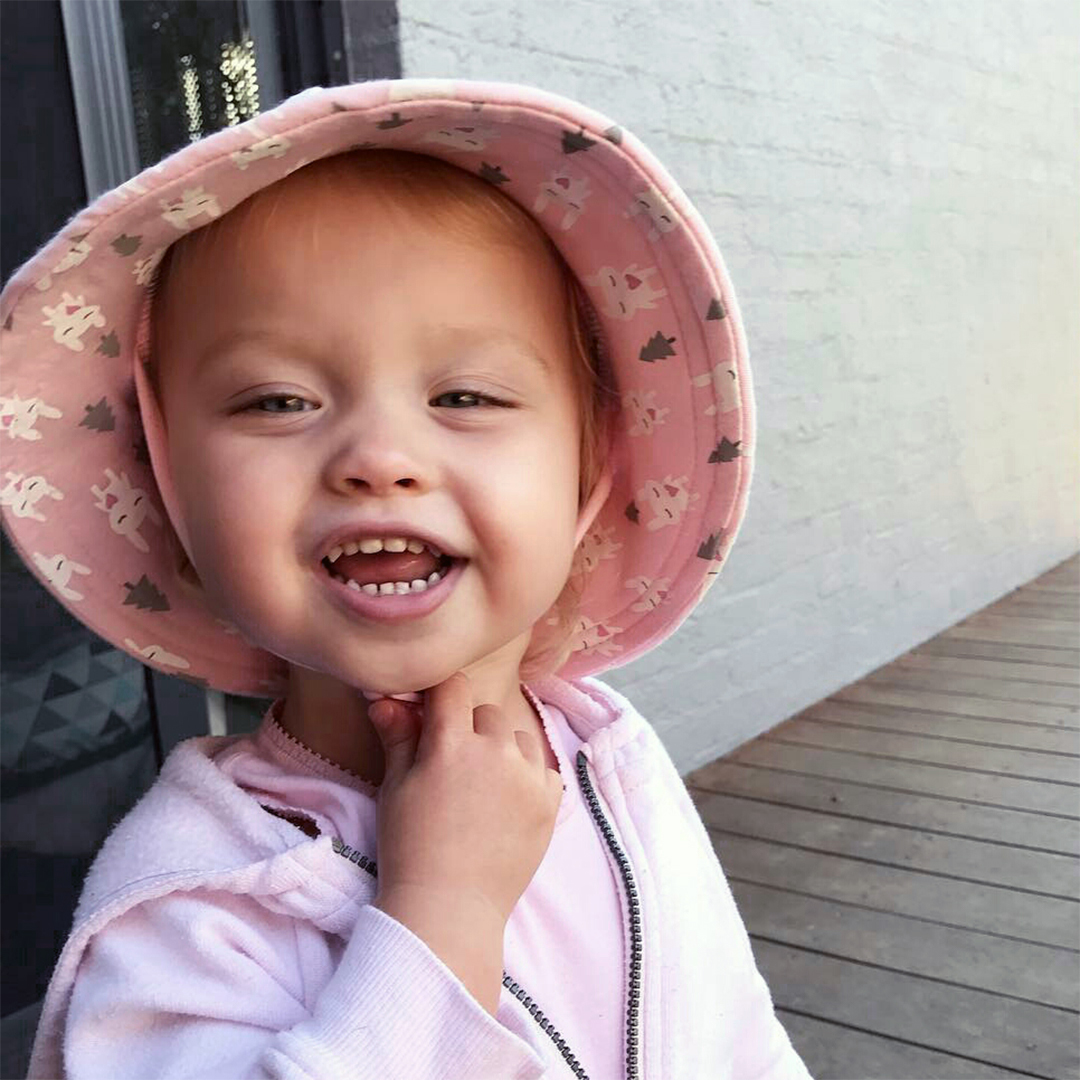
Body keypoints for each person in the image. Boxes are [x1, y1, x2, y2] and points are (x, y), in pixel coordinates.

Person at [1, 78, 812, 1079]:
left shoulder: (609, 756)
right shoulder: (195, 903)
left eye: (465, 394)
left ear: (589, 475)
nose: (380, 456)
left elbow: (736, 1034)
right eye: (278, 401)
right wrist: (442, 910)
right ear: (171, 496)